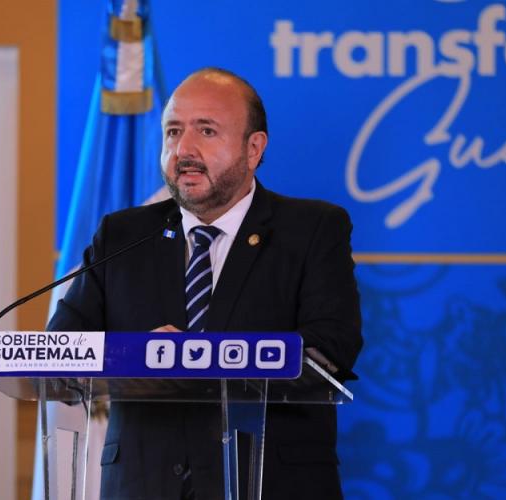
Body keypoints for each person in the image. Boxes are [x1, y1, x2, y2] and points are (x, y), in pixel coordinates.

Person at [48, 68, 363, 499]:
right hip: (143, 485)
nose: (183, 149)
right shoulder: (121, 235)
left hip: (271, 483)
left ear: (254, 148)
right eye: (173, 131)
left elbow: (331, 347)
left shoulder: (312, 230)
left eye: (207, 131)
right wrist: (142, 355)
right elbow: (62, 349)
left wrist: (199, 357)